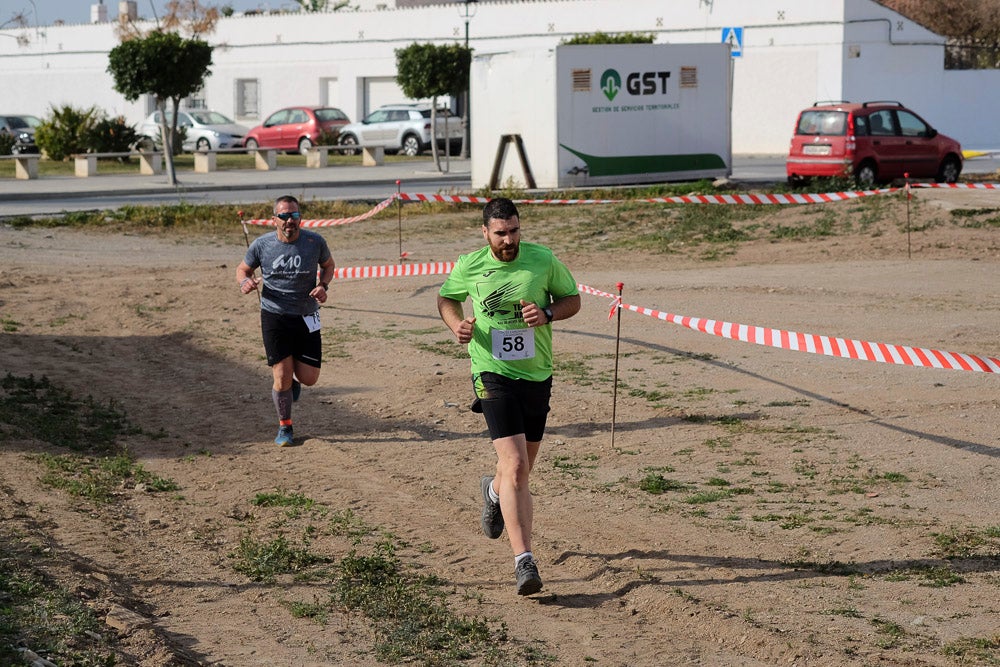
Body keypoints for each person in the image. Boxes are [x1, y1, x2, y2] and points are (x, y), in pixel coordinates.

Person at [437, 197, 581, 595]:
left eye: (514, 231)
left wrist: (548, 314)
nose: (509, 240)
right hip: (490, 372)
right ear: (485, 233)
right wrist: (457, 326)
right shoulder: (470, 265)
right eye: (500, 233)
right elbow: (447, 298)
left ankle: (492, 491)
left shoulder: (542, 260)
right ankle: (524, 561)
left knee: (519, 471)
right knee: (516, 465)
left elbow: (573, 299)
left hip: (536, 375)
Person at [236, 195, 336, 447]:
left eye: (294, 215)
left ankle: (293, 382)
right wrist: (245, 282)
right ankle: (285, 427)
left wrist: (323, 285)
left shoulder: (314, 241)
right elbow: (243, 269)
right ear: (274, 220)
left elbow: (328, 265)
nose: (289, 220)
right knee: (280, 376)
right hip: (274, 315)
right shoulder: (262, 245)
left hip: (306, 315)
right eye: (283, 216)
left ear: (300, 217)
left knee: (310, 378)